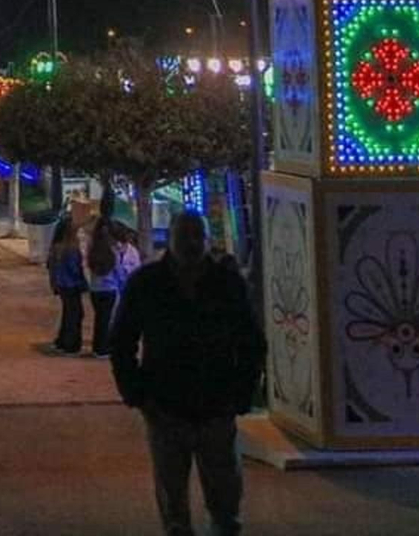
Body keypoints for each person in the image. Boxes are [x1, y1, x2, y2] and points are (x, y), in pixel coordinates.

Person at [110, 210, 265, 536]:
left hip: (216, 407)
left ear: (209, 240)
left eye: (198, 236)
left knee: (225, 497)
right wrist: (137, 394)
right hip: (166, 408)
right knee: (173, 504)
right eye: (185, 236)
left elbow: (251, 341)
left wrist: (242, 393)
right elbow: (121, 341)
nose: (192, 243)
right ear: (172, 239)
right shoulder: (147, 283)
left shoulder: (226, 284)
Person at [46, 211, 88, 355]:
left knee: (68, 312)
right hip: (72, 284)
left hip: (62, 284)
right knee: (75, 314)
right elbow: (74, 269)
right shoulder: (71, 249)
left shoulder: (56, 247)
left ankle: (62, 341)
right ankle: (71, 344)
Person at [87, 217, 125, 357]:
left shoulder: (92, 250)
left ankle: (97, 346)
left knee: (99, 318)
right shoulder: (113, 251)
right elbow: (119, 271)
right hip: (109, 289)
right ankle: (102, 348)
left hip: (95, 289)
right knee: (106, 319)